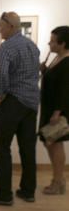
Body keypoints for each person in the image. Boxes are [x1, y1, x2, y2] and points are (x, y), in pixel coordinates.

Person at [0, 11, 40, 205]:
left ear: (11, 26)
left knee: (2, 148)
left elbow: (2, 75)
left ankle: (4, 194)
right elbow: (35, 74)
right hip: (31, 103)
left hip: (13, 102)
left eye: (1, 26)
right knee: (28, 149)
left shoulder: (7, 47)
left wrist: (0, 95)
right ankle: (28, 191)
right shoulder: (32, 46)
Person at [39, 26, 69, 194]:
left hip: (57, 110)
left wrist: (57, 112)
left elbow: (65, 90)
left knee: (55, 144)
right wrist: (44, 71)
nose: (49, 43)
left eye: (52, 40)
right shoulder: (57, 58)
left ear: (62, 43)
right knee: (49, 143)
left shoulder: (66, 62)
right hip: (50, 108)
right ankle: (58, 180)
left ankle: (58, 182)